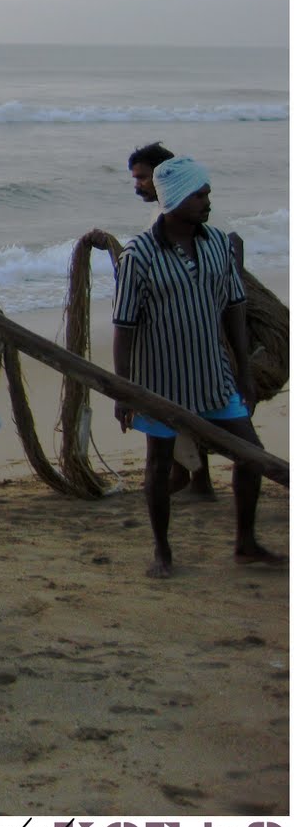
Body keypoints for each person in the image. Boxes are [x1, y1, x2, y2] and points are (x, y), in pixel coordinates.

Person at [112, 156, 282, 578]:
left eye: (208, 194)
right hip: (160, 384)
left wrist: (243, 372)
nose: (208, 202)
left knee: (251, 456)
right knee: (158, 465)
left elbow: (234, 309)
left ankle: (245, 543)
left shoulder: (218, 244)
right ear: (174, 199)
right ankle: (162, 551)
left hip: (213, 376)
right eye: (199, 195)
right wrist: (124, 391)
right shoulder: (138, 255)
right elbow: (124, 327)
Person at [126, 141, 221, 500]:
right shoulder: (164, 219)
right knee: (183, 413)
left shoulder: (190, 216)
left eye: (143, 178)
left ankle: (194, 480)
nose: (139, 186)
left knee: (183, 411)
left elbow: (230, 247)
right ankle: (192, 479)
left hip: (191, 334)